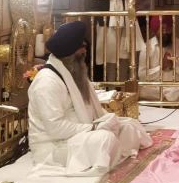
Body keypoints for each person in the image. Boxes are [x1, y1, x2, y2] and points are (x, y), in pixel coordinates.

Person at [28, 21, 151, 175]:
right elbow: (55, 128)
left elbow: (91, 109)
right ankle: (108, 155)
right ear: (71, 53)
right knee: (105, 139)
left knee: (129, 126)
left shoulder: (71, 72)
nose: (85, 51)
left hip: (82, 133)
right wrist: (93, 128)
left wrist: (107, 121)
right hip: (55, 146)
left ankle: (111, 154)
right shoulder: (46, 82)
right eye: (82, 47)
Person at [138, 16, 179, 102]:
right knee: (138, 88)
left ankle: (165, 96)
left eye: (168, 28)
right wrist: (161, 67)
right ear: (155, 30)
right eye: (162, 29)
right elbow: (141, 75)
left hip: (177, 85)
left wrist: (173, 66)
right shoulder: (146, 47)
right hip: (155, 87)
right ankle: (171, 97)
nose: (165, 32)